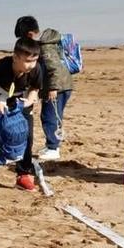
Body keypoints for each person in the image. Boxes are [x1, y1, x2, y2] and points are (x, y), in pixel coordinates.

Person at [0, 35, 43, 191]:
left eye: (34, 61)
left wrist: (29, 101)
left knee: (26, 136)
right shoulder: (3, 65)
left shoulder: (36, 69)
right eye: (27, 61)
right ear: (16, 57)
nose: (31, 65)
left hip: (21, 100)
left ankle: (23, 175)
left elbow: (35, 89)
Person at [37, 23, 75, 161]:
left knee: (49, 117)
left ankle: (53, 148)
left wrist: (53, 88)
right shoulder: (55, 46)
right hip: (65, 85)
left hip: (57, 88)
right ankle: (52, 145)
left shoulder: (46, 48)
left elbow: (54, 69)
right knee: (55, 117)